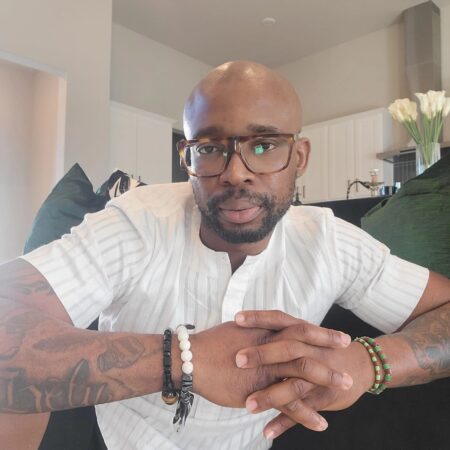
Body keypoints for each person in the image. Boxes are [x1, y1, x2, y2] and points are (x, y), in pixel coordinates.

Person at [0, 60, 449, 450]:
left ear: (300, 157)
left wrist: (368, 363)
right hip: (117, 439)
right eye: (210, 149)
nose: (236, 174)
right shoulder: (136, 222)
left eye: (264, 146)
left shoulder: (330, 242)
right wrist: (181, 359)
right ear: (187, 157)